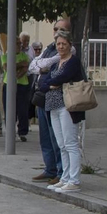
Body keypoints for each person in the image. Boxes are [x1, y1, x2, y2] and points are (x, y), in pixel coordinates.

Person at [39, 29, 87, 193]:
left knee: (70, 143)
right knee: (61, 144)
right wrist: (50, 84)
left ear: (69, 45)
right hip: (53, 106)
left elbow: (62, 78)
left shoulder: (73, 62)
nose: (60, 47)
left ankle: (74, 180)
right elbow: (43, 83)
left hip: (67, 107)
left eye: (63, 44)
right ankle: (65, 177)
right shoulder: (55, 62)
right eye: (58, 44)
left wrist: (52, 83)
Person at [28, 21, 68, 182]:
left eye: (62, 29)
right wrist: (42, 65)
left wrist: (42, 65)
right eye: (56, 29)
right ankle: (49, 168)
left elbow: (48, 65)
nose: (58, 32)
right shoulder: (49, 47)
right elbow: (33, 66)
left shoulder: (67, 48)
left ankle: (60, 171)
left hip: (56, 98)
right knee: (44, 136)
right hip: (41, 96)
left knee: (56, 136)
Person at [12, 35, 31, 140]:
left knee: (23, 110)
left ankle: (22, 132)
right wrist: (19, 65)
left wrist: (16, 74)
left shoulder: (24, 55)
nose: (20, 45)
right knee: (11, 109)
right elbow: (7, 67)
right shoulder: (6, 55)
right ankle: (11, 131)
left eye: (20, 43)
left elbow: (25, 67)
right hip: (9, 84)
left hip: (23, 85)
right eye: (18, 43)